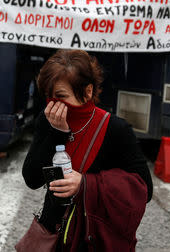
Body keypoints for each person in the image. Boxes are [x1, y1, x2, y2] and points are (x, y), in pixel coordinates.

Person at [22, 49, 153, 251]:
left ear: (88, 91)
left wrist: (86, 184)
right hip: (52, 233)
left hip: (91, 237)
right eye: (48, 96)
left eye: (61, 96)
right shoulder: (46, 119)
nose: (53, 104)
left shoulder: (116, 129)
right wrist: (57, 133)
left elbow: (145, 189)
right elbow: (32, 178)